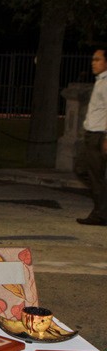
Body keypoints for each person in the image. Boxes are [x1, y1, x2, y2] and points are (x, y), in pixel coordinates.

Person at [74, 48, 107, 226]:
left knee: (95, 175)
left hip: (98, 136)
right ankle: (102, 208)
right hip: (91, 135)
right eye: (93, 59)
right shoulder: (100, 81)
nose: (93, 63)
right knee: (81, 169)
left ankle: (101, 214)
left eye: (98, 59)